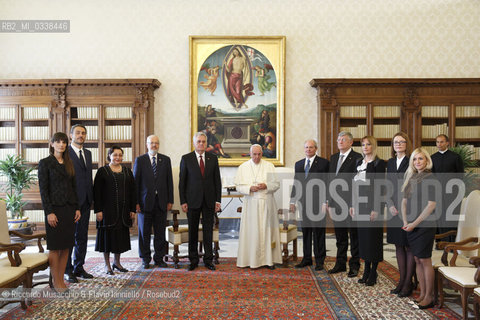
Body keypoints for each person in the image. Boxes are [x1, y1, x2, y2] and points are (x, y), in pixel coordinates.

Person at [38, 132, 81, 292]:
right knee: (55, 247)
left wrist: (76, 208)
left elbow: (74, 187)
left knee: (66, 246)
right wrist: (49, 212)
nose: (61, 145)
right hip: (54, 210)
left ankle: (61, 279)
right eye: (58, 142)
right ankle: (56, 282)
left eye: (64, 142)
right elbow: (44, 190)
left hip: (69, 209)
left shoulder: (69, 163)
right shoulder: (45, 163)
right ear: (52, 144)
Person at [179, 131, 222, 271]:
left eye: (203, 141)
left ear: (206, 143)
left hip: (209, 201)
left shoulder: (213, 158)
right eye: (199, 141)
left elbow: (217, 181)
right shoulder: (186, 159)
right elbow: (182, 183)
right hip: (192, 201)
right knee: (193, 231)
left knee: (208, 231)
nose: (201, 144)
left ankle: (209, 260)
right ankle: (193, 260)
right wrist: (183, 201)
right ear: (194, 143)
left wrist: (218, 200)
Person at [401, 148, 437, 309]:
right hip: (411, 225)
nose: (417, 162)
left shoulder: (431, 178)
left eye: (420, 159)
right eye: (415, 159)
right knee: (417, 259)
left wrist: (414, 223)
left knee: (424, 259)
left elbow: (431, 205)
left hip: (425, 224)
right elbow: (404, 201)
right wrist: (405, 221)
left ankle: (430, 297)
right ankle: (422, 294)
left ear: (427, 161)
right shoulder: (412, 177)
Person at [235, 144, 282, 269]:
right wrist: (249, 188)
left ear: (262, 154)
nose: (256, 157)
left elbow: (276, 184)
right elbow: (238, 187)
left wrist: (266, 185)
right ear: (250, 154)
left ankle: (269, 260)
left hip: (267, 203)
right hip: (251, 204)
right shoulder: (243, 167)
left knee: (268, 232)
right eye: (254, 154)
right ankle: (251, 260)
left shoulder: (269, 166)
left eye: (259, 154)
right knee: (252, 232)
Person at [94, 146, 136, 275]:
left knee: (120, 239)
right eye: (115, 155)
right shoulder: (102, 171)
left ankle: (117, 263)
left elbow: (133, 192)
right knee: (107, 239)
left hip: (123, 212)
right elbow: (96, 193)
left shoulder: (128, 171)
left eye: (120, 155)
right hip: (107, 212)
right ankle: (107, 265)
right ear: (109, 156)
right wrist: (98, 210)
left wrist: (132, 209)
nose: (118, 157)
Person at [326, 131, 363, 277]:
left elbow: (357, 183)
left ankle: (354, 265)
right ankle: (340, 263)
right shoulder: (334, 158)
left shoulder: (357, 158)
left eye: (343, 139)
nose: (340, 142)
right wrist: (328, 199)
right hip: (336, 203)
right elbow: (329, 180)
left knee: (354, 235)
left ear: (351, 142)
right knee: (340, 236)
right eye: (338, 139)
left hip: (350, 203)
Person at [133, 135, 173, 269]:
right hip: (144, 203)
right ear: (147, 144)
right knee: (144, 233)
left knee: (160, 232)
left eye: (156, 143)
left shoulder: (165, 160)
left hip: (161, 202)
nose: (154, 145)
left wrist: (170, 200)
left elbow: (169, 182)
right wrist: (136, 202)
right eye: (151, 143)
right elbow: (135, 184)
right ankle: (145, 258)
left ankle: (159, 258)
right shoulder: (140, 160)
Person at [350, 136, 386, 286]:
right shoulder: (358, 163)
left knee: (373, 240)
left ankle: (373, 272)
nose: (365, 147)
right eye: (363, 144)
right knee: (363, 240)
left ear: (374, 146)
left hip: (372, 206)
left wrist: (376, 209)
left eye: (368, 144)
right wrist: (352, 205)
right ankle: (365, 270)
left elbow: (381, 188)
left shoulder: (379, 163)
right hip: (359, 206)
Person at [290, 139, 329, 271]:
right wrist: (292, 201)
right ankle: (307, 258)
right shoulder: (299, 164)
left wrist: (326, 201)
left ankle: (319, 260)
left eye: (311, 147)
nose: (308, 149)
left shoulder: (324, 163)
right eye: (306, 147)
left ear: (316, 149)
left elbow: (328, 184)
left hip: (319, 204)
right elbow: (296, 183)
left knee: (318, 233)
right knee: (306, 232)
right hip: (304, 203)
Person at [386, 132, 415, 296]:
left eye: (401, 141)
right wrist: (389, 204)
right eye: (395, 142)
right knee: (398, 244)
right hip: (393, 209)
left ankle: (408, 283)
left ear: (406, 143)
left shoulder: (412, 161)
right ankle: (401, 280)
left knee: (408, 245)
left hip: (408, 207)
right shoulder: (390, 162)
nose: (398, 144)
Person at [64, 124, 94, 283]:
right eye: (77, 133)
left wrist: (91, 199)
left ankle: (79, 267)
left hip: (86, 202)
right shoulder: (65, 154)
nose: (81, 135)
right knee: (70, 237)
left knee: (82, 237)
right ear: (71, 135)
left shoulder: (88, 154)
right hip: (71, 203)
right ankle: (67, 270)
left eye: (83, 133)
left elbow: (87, 178)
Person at [431, 134, 464, 242]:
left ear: (447, 143)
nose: (439, 144)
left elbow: (460, 175)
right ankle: (440, 242)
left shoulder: (455, 157)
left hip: (452, 193)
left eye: (441, 142)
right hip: (437, 192)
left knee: (451, 217)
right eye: (437, 142)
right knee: (439, 216)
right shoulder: (432, 158)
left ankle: (451, 242)